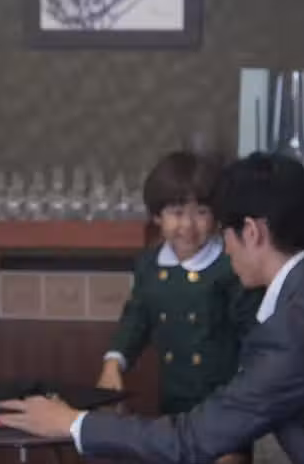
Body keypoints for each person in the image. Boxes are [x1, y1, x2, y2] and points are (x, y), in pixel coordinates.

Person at [0, 152, 304, 464]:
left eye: (224, 233)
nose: (224, 247)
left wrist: (73, 423)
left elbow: (194, 439)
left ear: (252, 232)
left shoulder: (295, 328)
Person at [97, 151, 262, 464]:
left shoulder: (230, 265)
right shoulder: (149, 265)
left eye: (201, 212)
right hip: (174, 405)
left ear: (217, 216)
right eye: (176, 212)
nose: (188, 225)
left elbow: (252, 332)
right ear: (157, 217)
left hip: (226, 405)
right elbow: (136, 319)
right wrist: (113, 363)